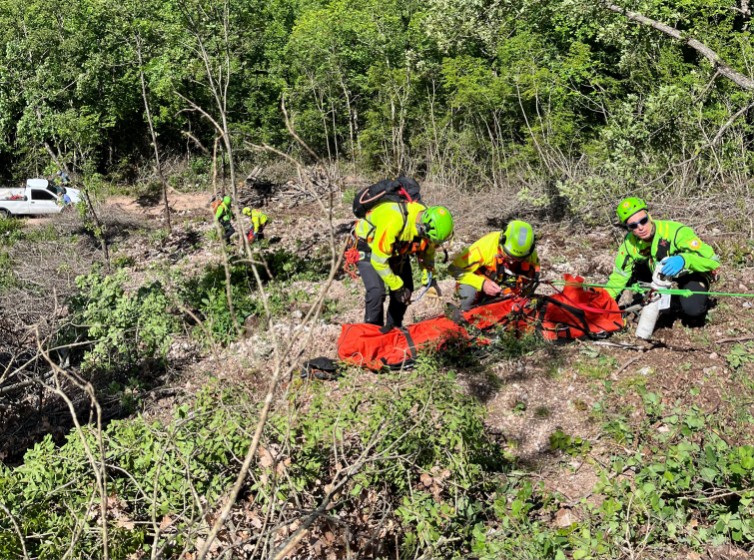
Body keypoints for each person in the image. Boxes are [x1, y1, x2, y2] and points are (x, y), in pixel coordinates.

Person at [607, 196, 720, 326]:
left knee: (693, 308)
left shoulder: (675, 231)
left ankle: (683, 300)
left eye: (643, 220)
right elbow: (619, 276)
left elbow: (713, 261)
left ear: (649, 216)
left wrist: (684, 259)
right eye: (633, 226)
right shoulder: (630, 243)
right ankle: (656, 297)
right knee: (636, 271)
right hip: (657, 275)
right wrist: (603, 299)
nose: (640, 227)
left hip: (689, 272)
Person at [354, 202, 454, 330]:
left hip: (396, 248)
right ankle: (372, 331)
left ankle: (393, 327)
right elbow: (378, 261)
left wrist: (430, 281)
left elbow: (427, 255)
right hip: (369, 247)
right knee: (377, 292)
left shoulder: (428, 225)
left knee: (406, 290)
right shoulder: (393, 221)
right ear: (422, 229)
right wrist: (397, 286)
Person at [449, 220, 540, 311]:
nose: (512, 262)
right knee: (467, 297)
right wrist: (482, 284)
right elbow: (453, 269)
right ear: (501, 242)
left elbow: (531, 279)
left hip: (503, 286)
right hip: (479, 280)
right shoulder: (485, 247)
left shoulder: (528, 253)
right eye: (509, 257)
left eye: (518, 259)